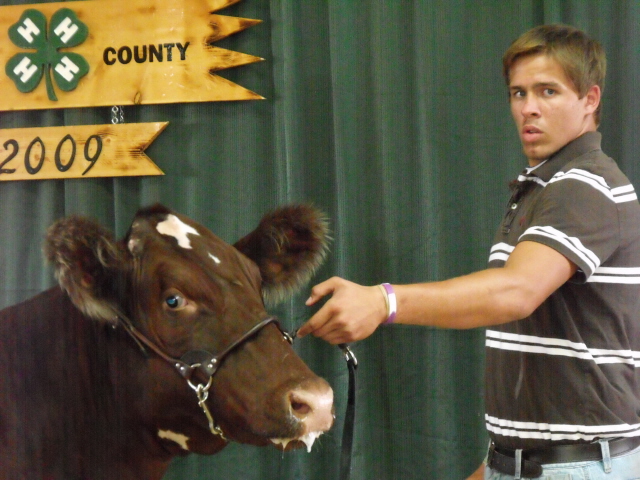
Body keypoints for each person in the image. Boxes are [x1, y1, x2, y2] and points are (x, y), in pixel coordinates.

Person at [296, 24, 640, 479]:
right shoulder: (545, 187)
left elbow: (516, 292)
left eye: (548, 91)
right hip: (527, 463)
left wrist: (383, 301)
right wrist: (495, 465)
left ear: (590, 99)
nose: (529, 107)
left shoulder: (584, 184)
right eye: (518, 93)